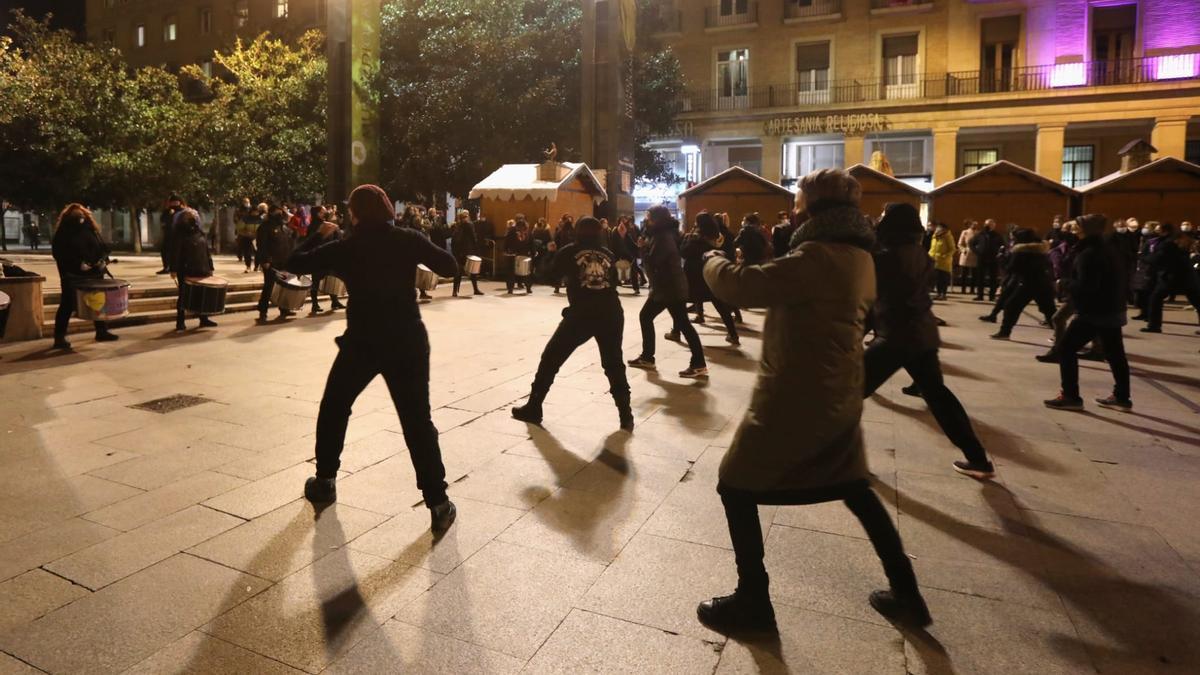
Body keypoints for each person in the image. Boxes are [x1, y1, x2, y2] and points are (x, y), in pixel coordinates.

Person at [697, 169, 929, 633]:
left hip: (796, 398)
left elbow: (743, 285)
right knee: (854, 487)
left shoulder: (820, 257)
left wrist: (711, 260)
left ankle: (753, 601)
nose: (794, 209)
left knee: (735, 484)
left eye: (799, 201)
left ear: (814, 208)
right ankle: (907, 592)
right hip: (835, 391)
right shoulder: (860, 256)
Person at [285, 184, 459, 533]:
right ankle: (438, 502)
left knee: (335, 406)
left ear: (354, 213)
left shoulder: (347, 246)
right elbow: (451, 267)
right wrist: (421, 243)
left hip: (363, 341)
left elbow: (294, 263)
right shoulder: (407, 239)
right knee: (416, 420)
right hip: (407, 340)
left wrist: (317, 236)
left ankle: (325, 480)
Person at [865, 204, 994, 478]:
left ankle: (842, 462)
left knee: (848, 392)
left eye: (884, 217)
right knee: (939, 396)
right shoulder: (917, 251)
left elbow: (876, 299)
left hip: (896, 336)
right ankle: (978, 459)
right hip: (921, 334)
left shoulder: (886, 256)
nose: (879, 220)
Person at [511, 216, 633, 430]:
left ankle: (534, 406)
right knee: (614, 363)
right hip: (611, 311)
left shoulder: (569, 251)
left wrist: (549, 253)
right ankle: (626, 414)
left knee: (551, 357)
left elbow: (548, 276)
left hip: (582, 313)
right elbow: (612, 281)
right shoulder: (608, 254)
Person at [1044, 214, 1132, 412]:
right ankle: (1122, 396)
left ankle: (1070, 395)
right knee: (1116, 353)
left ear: (1087, 231)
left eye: (1077, 228)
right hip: (1113, 309)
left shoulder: (1089, 253)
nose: (1073, 232)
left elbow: (1087, 286)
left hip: (1095, 311)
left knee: (1066, 348)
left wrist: (1063, 283)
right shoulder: (1109, 249)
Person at [627, 205, 708, 379]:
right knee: (679, 323)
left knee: (653, 318)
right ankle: (650, 357)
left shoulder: (662, 237)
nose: (646, 220)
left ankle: (698, 363)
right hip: (670, 286)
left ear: (657, 219)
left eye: (649, 217)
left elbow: (654, 264)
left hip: (668, 287)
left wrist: (642, 248)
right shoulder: (665, 234)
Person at [51, 204, 119, 349]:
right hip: (72, 274)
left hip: (94, 272)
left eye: (82, 215)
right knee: (67, 305)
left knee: (98, 302)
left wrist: (102, 259)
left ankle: (101, 331)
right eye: (76, 215)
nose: (80, 218)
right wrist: (77, 264)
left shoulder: (91, 230)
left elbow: (99, 246)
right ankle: (59, 337)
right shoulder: (63, 233)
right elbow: (60, 253)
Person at [678, 212, 739, 345]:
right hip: (709, 273)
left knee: (679, 303)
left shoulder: (695, 237)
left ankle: (676, 331)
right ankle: (733, 334)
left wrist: (686, 239)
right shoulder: (716, 235)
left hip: (693, 274)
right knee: (719, 304)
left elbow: (684, 252)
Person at [991, 228, 1057, 340]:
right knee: (1050, 311)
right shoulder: (1041, 250)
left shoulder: (1020, 251)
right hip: (1043, 284)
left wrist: (1001, 259)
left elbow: (1011, 268)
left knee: (1011, 306)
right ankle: (1061, 335)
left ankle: (1004, 332)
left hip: (1027, 284)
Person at [1142, 222, 1200, 333]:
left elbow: (1158, 258)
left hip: (1172, 277)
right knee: (1197, 301)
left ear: (1165, 231)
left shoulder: (1167, 243)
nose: (1157, 232)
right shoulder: (1181, 240)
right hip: (1188, 276)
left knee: (1155, 299)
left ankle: (1154, 326)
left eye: (1159, 230)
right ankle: (1154, 326)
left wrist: (1144, 258)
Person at [169, 208, 219, 331]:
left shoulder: (199, 232)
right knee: (183, 295)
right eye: (190, 216)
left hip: (201, 267)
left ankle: (203, 318)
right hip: (185, 269)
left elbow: (206, 251)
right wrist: (173, 269)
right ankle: (180, 322)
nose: (194, 217)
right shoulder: (178, 233)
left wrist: (210, 266)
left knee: (202, 294)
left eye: (194, 215)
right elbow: (175, 252)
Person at [255, 205, 297, 321]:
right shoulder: (264, 227)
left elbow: (289, 242)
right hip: (272, 262)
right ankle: (263, 310)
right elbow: (261, 246)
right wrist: (265, 260)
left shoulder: (283, 226)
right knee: (269, 286)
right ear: (271, 213)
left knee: (284, 286)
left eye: (281, 212)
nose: (280, 214)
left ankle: (284, 308)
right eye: (278, 212)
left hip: (284, 261)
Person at [306, 207, 347, 313]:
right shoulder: (314, 226)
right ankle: (315, 304)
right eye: (323, 211)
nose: (326, 212)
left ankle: (334, 301)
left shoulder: (326, 224)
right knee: (316, 281)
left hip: (328, 256)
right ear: (318, 213)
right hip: (318, 257)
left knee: (332, 278)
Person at [451, 209, 483, 297]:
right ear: (467, 216)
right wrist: (477, 250)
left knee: (458, 271)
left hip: (459, 251)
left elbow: (453, 239)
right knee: (473, 271)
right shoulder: (469, 224)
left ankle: (454, 291)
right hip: (468, 250)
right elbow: (473, 238)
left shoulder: (456, 225)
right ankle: (475, 289)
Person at [970, 219, 1003, 300]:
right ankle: (980, 295)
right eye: (987, 224)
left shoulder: (997, 235)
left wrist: (999, 254)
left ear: (994, 226)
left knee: (993, 278)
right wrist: (977, 252)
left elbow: (1002, 245)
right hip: (982, 258)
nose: (989, 226)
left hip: (993, 259)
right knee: (980, 277)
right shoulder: (980, 234)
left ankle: (992, 296)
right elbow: (972, 243)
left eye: (991, 225)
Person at [504, 218, 534, 294]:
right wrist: (532, 253)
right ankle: (528, 288)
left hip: (513, 254)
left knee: (511, 272)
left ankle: (510, 289)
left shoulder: (512, 231)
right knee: (527, 272)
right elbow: (531, 243)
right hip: (524, 254)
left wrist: (505, 250)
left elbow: (506, 242)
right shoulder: (528, 232)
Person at [928, 222, 955, 300]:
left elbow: (952, 249)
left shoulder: (948, 237)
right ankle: (938, 294)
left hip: (944, 262)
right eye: (937, 228)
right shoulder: (934, 237)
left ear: (944, 229)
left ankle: (943, 294)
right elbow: (932, 248)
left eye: (940, 228)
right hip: (934, 261)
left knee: (943, 279)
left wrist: (945, 256)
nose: (938, 229)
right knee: (937, 279)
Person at [157, 194, 183, 274]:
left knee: (177, 251)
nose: (174, 204)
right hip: (168, 234)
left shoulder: (182, 211)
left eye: (176, 202)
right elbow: (163, 220)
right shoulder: (167, 211)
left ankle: (176, 267)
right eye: (173, 202)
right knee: (165, 251)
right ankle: (166, 267)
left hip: (179, 235)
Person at [551, 215, 575, 293]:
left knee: (560, 270)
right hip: (571, 253)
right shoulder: (573, 231)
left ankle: (557, 287)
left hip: (561, 252)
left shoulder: (560, 231)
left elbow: (555, 241)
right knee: (570, 271)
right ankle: (569, 285)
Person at [235, 199, 259, 273]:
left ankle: (256, 266)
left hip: (257, 238)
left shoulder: (260, 219)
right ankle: (248, 266)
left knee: (258, 253)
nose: (256, 213)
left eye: (257, 212)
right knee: (247, 253)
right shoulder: (245, 219)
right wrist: (246, 233)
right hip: (247, 238)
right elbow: (239, 228)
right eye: (254, 212)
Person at [956, 220, 979, 295]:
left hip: (975, 254)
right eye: (973, 224)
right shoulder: (965, 232)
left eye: (976, 224)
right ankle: (963, 289)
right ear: (970, 225)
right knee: (964, 273)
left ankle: (972, 289)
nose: (974, 226)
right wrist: (963, 250)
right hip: (966, 253)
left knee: (974, 274)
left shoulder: (979, 233)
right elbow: (959, 243)